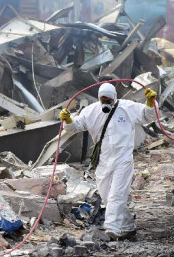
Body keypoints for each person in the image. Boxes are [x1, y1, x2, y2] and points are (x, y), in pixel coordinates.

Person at [60, 82, 157, 240]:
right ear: (99, 99)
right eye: (103, 100)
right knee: (106, 196)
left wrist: (150, 103)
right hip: (103, 160)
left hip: (123, 159)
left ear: (114, 98)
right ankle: (127, 226)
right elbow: (76, 126)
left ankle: (111, 230)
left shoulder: (127, 108)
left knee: (116, 196)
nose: (105, 103)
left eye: (108, 100)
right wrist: (68, 120)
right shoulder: (91, 111)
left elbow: (147, 115)